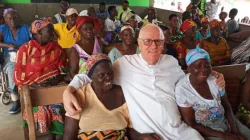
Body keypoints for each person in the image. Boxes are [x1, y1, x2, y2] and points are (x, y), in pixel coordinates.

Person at [63, 24, 226, 140]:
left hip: (179, 131)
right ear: (139, 43)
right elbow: (92, 74)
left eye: (158, 41)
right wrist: (69, 90)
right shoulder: (124, 64)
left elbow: (188, 80)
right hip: (147, 134)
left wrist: (213, 75)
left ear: (164, 44)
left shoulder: (171, 62)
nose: (153, 46)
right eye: (147, 41)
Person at [175, 47, 250, 140]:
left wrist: (235, 132)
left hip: (225, 120)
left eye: (207, 65)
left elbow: (226, 106)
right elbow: (192, 123)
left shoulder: (215, 80)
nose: (204, 70)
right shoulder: (182, 90)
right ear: (189, 67)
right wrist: (226, 136)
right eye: (198, 66)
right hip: (206, 130)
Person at [14, 17, 67, 139]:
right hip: (31, 88)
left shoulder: (56, 48)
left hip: (54, 85)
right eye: (49, 31)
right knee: (41, 108)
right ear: (38, 33)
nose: (53, 34)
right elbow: (18, 76)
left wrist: (56, 79)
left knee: (61, 104)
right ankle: (45, 135)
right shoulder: (25, 50)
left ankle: (54, 136)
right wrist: (36, 85)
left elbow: (64, 70)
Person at [64, 54, 130, 140]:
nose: (108, 78)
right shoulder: (81, 95)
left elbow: (131, 128)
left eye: (110, 73)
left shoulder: (123, 94)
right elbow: (69, 135)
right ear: (90, 77)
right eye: (101, 75)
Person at [0, 8, 30, 114]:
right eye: (9, 18)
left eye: (14, 18)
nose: (12, 20)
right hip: (10, 56)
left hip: (26, 55)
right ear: (5, 19)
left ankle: (33, 96)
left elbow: (34, 40)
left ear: (18, 17)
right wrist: (8, 45)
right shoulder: (3, 29)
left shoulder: (25, 28)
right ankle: (16, 100)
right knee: (12, 68)